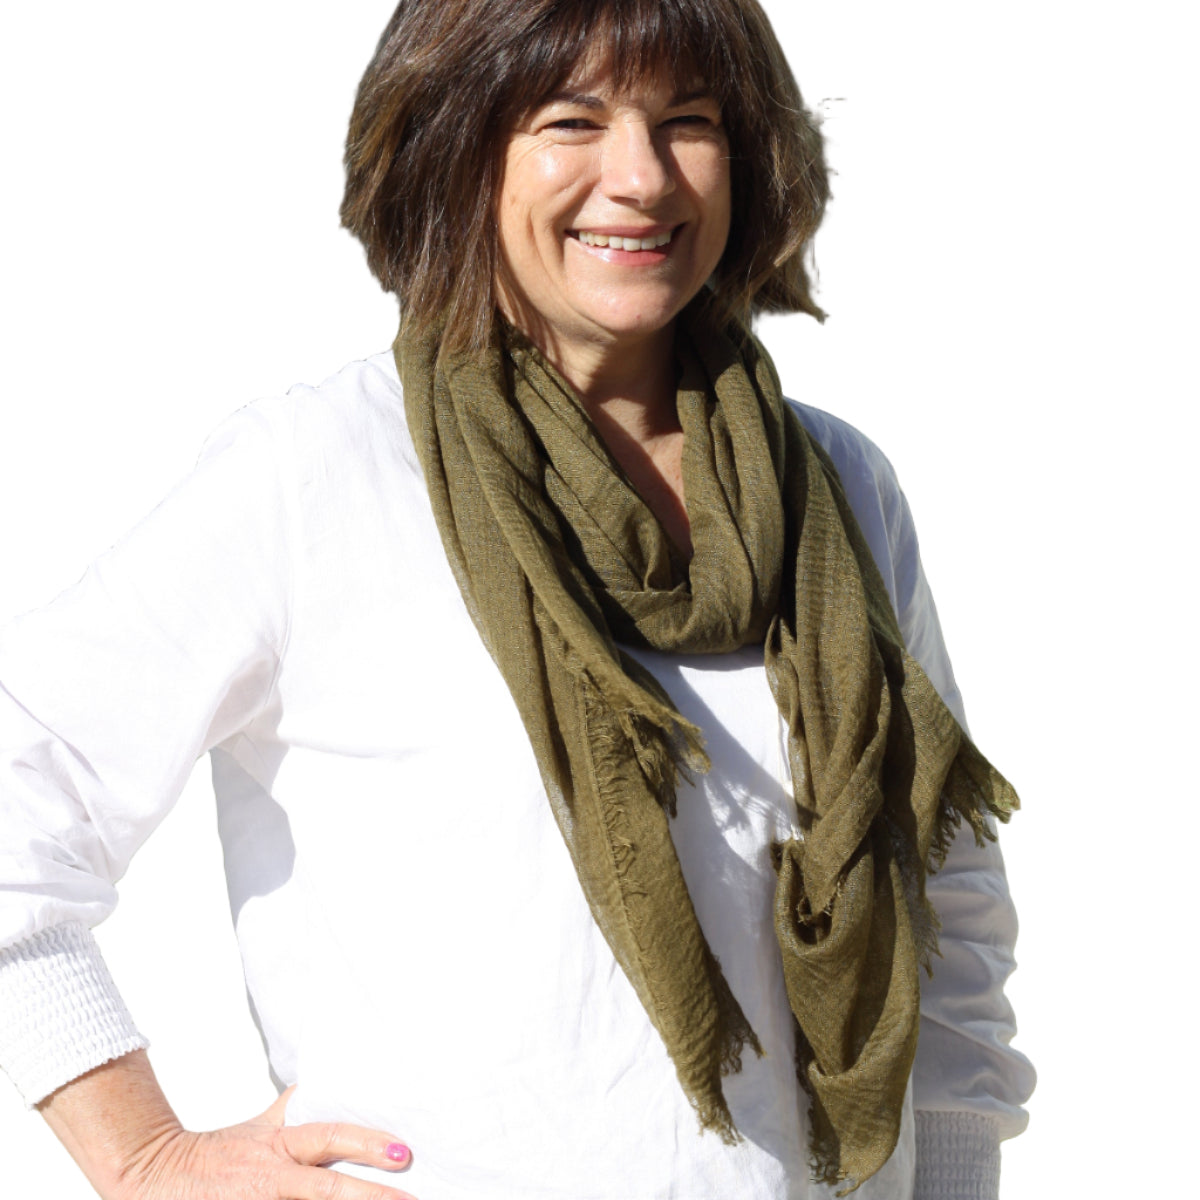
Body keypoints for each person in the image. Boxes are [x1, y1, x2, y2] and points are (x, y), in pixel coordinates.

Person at [0, 1, 1034, 1197]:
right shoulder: (318, 476)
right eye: (571, 120)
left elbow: (946, 893)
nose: (639, 178)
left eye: (687, 122)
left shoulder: (837, 487)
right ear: (456, 148)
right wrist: (142, 1157)